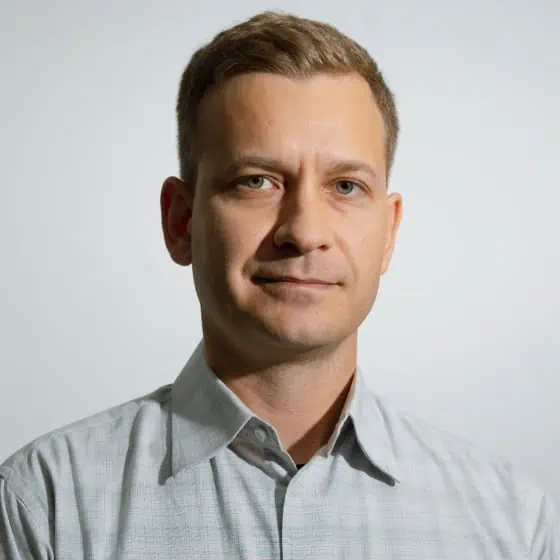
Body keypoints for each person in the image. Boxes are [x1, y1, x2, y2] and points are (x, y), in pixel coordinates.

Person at [1, 10, 558, 559]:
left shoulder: (513, 524)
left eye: (345, 186)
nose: (304, 231)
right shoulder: (42, 505)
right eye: (257, 181)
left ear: (389, 232)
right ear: (181, 222)